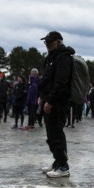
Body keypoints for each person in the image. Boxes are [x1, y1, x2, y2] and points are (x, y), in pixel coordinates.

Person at [38, 31, 73, 178]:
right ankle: (57, 162)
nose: (47, 45)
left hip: (58, 102)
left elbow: (60, 83)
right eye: (46, 42)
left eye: (50, 42)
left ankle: (63, 166)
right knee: (51, 135)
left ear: (58, 42)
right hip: (48, 101)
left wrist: (51, 101)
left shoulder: (63, 58)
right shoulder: (52, 57)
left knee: (57, 134)